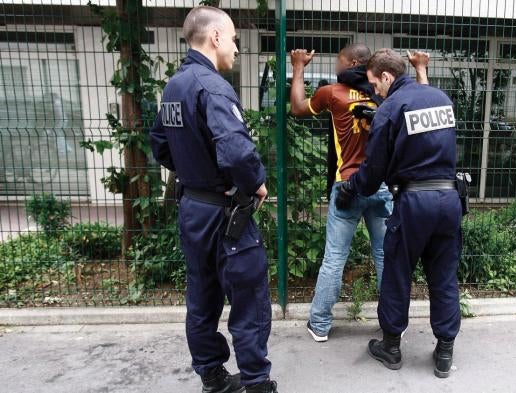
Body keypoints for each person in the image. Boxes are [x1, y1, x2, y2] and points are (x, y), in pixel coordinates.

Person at [150, 6, 278, 393]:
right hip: (226, 213)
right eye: (235, 39)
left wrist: (195, 171)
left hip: (193, 208)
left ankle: (213, 377)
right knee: (249, 297)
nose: (237, 49)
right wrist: (256, 182)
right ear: (216, 37)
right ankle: (256, 383)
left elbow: (159, 146)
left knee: (202, 296)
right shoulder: (213, 86)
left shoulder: (174, 86)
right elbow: (238, 153)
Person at [288, 44, 429, 343]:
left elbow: (298, 108)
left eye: (338, 60)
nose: (336, 66)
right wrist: (420, 69)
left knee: (335, 258)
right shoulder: (389, 96)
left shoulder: (332, 92)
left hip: (348, 186)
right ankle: (393, 323)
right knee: (384, 255)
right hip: (382, 186)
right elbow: (422, 101)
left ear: (352, 62)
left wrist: (299, 66)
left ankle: (320, 324)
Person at [336, 48, 462, 378]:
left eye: (375, 83)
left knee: (397, 272)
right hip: (449, 199)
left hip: (414, 202)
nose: (374, 90)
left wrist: (351, 187)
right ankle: (445, 350)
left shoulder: (390, 108)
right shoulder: (441, 98)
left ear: (387, 77)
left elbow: (374, 171)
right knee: (444, 275)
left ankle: (391, 347)